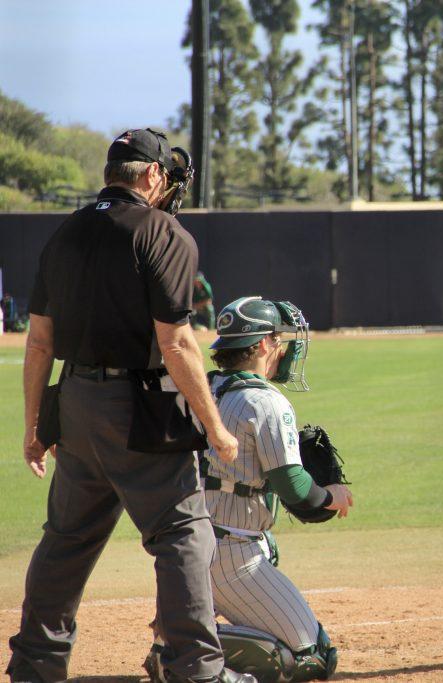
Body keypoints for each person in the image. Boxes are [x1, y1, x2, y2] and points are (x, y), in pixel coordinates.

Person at [10, 128, 255, 683]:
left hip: (74, 403)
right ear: (149, 175)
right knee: (183, 533)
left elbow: (40, 341)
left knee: (67, 540)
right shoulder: (162, 232)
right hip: (137, 405)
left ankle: (34, 667)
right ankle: (198, 670)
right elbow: (177, 342)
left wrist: (34, 427)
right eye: (164, 173)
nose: (167, 182)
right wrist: (215, 427)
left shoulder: (65, 232)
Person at [144, 296, 353, 683]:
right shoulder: (265, 402)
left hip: (185, 547)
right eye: (278, 339)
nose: (282, 348)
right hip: (231, 557)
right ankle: (181, 650)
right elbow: (297, 492)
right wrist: (332, 496)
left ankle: (181, 627)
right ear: (261, 345)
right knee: (311, 657)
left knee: (267, 545)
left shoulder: (198, 386)